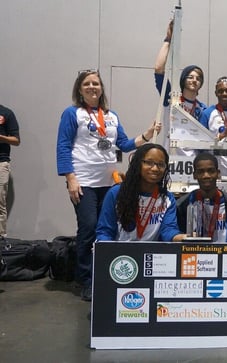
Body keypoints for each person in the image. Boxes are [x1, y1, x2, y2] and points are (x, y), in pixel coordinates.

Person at [56, 69, 160, 301]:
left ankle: (105, 275)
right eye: (87, 84)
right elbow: (63, 146)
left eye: (96, 83)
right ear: (80, 90)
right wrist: (70, 178)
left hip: (109, 184)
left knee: (110, 229)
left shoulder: (111, 116)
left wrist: (147, 134)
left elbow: (123, 144)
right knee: (89, 228)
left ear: (101, 88)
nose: (92, 87)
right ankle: (85, 280)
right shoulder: (72, 113)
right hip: (83, 181)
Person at [96, 144, 185, 242]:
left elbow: (168, 230)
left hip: (152, 254)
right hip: (121, 255)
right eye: (149, 162)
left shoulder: (167, 198)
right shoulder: (116, 193)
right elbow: (105, 232)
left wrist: (183, 238)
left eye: (161, 164)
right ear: (138, 164)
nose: (155, 168)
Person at [154, 19, 207, 156]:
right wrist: (168, 40)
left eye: (198, 78)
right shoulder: (171, 98)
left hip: (193, 163)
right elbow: (159, 69)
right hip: (170, 156)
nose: (194, 80)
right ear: (183, 80)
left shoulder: (203, 109)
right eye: (190, 77)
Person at [176, 153, 227, 241]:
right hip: (194, 253)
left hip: (223, 252)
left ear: (218, 174)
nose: (206, 175)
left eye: (211, 171)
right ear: (194, 175)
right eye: (201, 172)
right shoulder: (183, 204)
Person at [199, 76, 227, 178]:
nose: (224, 94)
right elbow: (200, 143)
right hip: (216, 170)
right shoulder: (207, 113)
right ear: (216, 93)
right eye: (221, 91)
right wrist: (222, 136)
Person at [0, 104, 20, 237]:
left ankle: (1, 241)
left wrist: (1, 138)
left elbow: (16, 140)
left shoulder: (6, 113)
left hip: (1, 163)